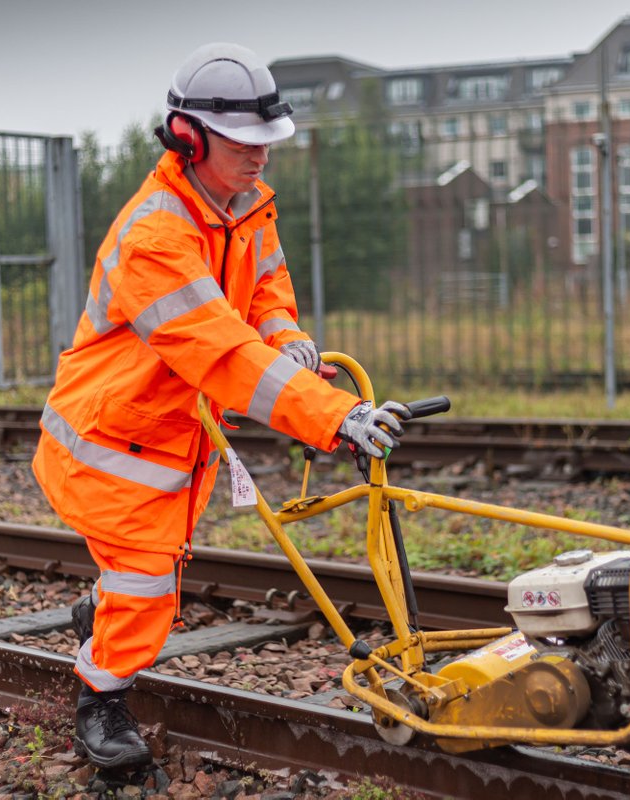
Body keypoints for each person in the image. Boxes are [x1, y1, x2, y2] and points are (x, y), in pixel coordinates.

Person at [31, 42, 409, 770]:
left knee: (148, 582)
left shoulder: (242, 209)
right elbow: (223, 352)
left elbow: (266, 301)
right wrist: (332, 416)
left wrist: (293, 343)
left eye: (268, 143)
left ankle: (101, 617)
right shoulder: (157, 237)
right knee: (148, 591)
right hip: (113, 447)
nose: (261, 157)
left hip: (172, 440)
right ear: (190, 139)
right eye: (244, 144)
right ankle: (98, 696)